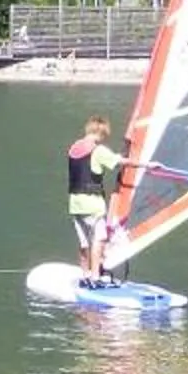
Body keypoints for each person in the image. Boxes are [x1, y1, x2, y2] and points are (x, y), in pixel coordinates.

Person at [66, 115, 124, 278]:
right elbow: (118, 162)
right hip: (93, 204)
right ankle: (95, 277)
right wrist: (147, 164)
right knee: (99, 240)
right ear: (102, 133)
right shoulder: (98, 150)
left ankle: (85, 275)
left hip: (75, 204)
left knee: (84, 242)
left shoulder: (74, 147)